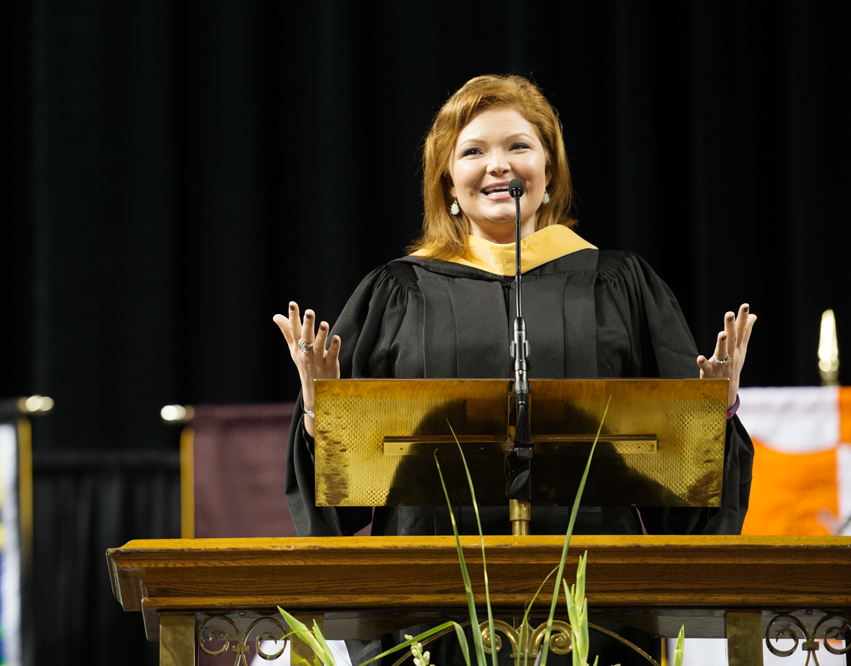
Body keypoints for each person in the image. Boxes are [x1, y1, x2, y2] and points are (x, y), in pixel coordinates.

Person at [273, 74, 757, 664]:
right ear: (448, 183)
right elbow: (339, 509)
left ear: (549, 172)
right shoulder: (398, 293)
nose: (497, 165)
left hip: (595, 609)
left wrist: (715, 413)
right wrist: (321, 412)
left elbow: (684, 512)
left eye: (518, 146)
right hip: (428, 615)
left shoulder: (619, 287)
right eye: (473, 151)